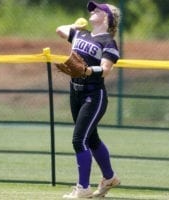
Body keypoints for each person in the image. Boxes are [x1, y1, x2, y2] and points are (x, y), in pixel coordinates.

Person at [56, 1, 121, 199]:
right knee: (91, 139)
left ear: (107, 18)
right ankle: (109, 178)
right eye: (92, 8)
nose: (92, 10)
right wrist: (76, 26)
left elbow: (106, 69)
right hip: (75, 92)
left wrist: (87, 70)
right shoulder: (81, 34)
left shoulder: (108, 42)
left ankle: (83, 188)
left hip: (93, 95)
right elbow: (60, 30)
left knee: (79, 140)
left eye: (98, 9)